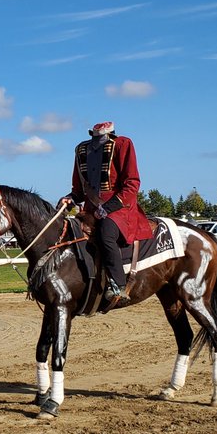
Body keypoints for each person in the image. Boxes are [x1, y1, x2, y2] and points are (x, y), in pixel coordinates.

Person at [58, 120, 153, 304]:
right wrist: (70, 198)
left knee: (105, 233)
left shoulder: (122, 144)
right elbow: (79, 190)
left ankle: (118, 285)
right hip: (90, 210)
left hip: (120, 209)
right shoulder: (81, 151)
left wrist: (108, 208)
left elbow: (132, 184)